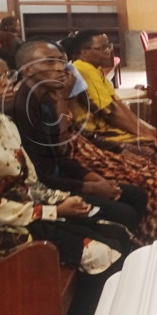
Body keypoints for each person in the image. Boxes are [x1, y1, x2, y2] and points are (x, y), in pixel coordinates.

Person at [0, 56, 132, 315]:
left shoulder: (3, 122)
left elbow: (30, 180)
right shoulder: (21, 111)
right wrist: (53, 210)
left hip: (30, 211)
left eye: (8, 74)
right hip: (5, 229)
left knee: (117, 232)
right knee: (103, 252)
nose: (8, 82)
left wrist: (66, 200)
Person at [11, 39, 147, 233]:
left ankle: (136, 244)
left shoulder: (45, 99)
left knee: (136, 194)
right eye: (49, 62)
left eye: (61, 61)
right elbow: (40, 176)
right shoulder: (21, 110)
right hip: (44, 192)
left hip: (64, 175)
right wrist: (90, 187)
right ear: (27, 70)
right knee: (124, 213)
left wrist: (96, 180)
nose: (60, 68)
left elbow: (60, 155)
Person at [52, 65, 157, 246]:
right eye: (102, 47)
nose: (61, 69)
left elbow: (114, 108)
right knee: (147, 174)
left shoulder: (85, 75)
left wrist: (144, 133)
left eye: (62, 62)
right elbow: (108, 116)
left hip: (90, 146)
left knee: (150, 165)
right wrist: (93, 182)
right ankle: (154, 236)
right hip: (81, 158)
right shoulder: (47, 99)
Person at [68, 29, 157, 151]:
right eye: (102, 48)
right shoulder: (83, 69)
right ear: (84, 52)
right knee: (150, 147)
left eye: (108, 46)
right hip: (94, 133)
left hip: (107, 127)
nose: (108, 51)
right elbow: (111, 113)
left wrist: (148, 130)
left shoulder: (95, 69)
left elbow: (117, 104)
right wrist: (144, 134)